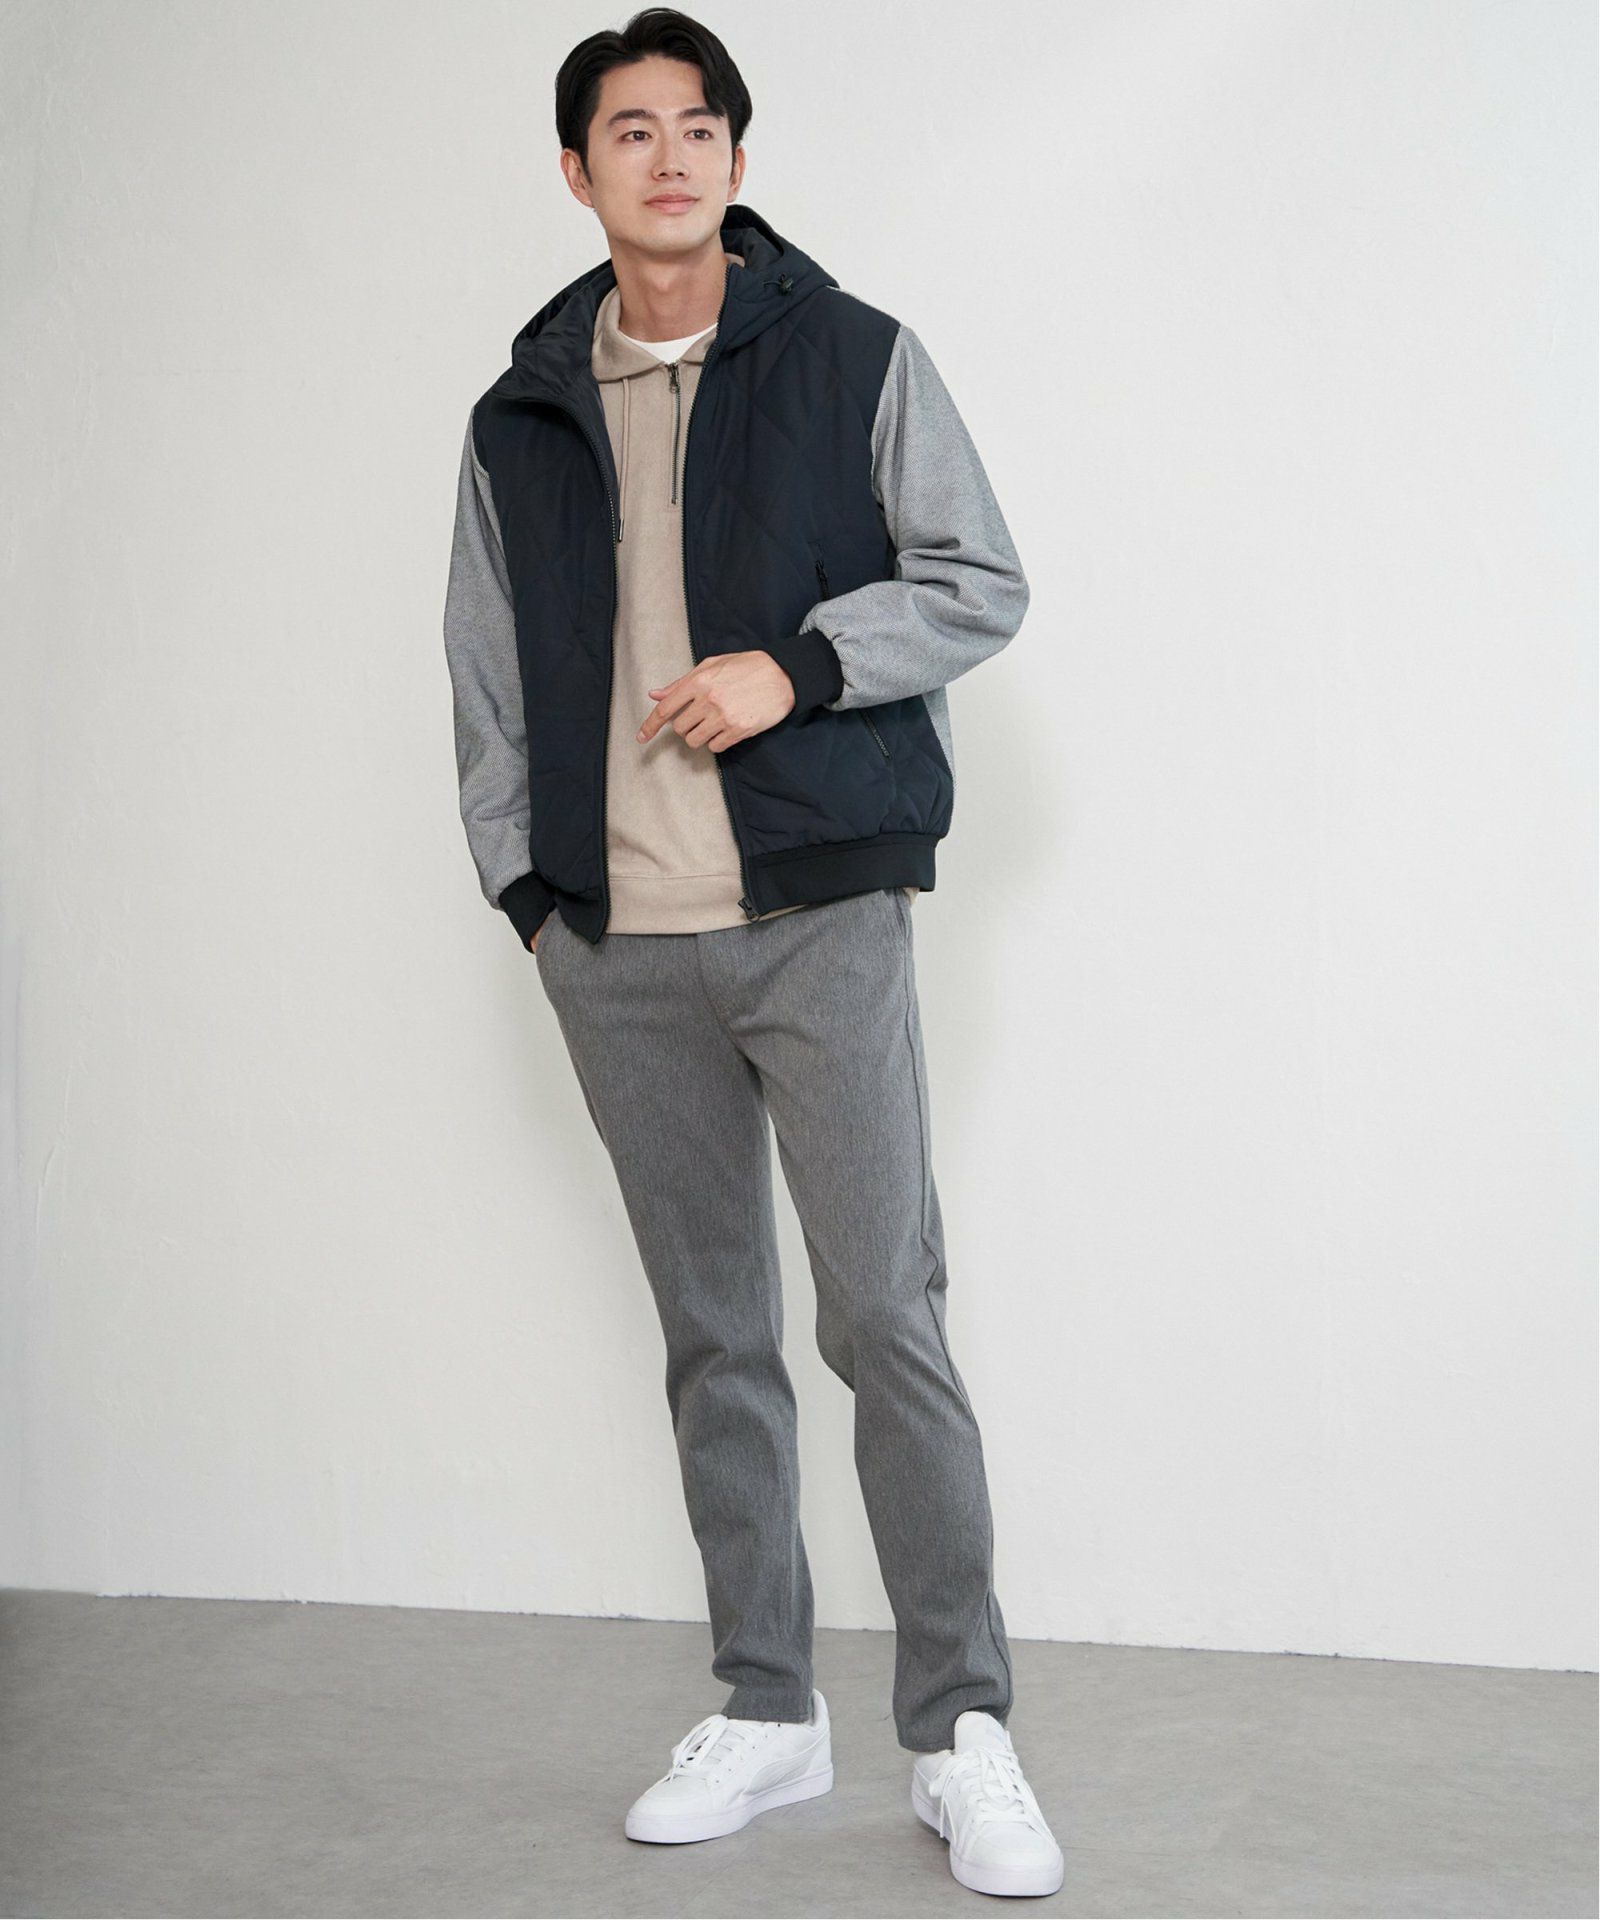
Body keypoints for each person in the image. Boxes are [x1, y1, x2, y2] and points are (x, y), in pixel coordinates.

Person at [441, 8, 1062, 1899]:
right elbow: (482, 667)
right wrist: (530, 896)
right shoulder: (519, 414)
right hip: (618, 947)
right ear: (578, 171)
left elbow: (979, 581)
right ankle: (769, 1706)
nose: (671, 156)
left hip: (818, 920)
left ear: (736, 154)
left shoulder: (853, 354)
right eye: (632, 130)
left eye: (699, 125)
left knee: (884, 1318)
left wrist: (796, 666)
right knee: (717, 1340)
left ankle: (961, 1730)